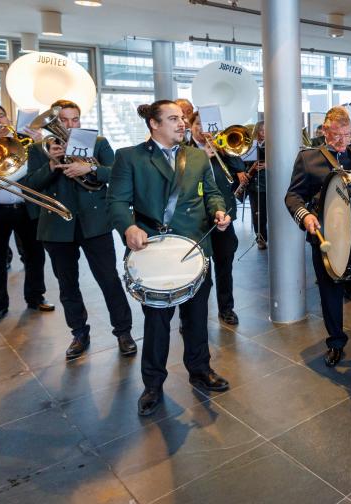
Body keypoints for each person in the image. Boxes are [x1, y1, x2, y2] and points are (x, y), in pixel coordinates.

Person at [109, 100, 233, 416]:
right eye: (173, 118)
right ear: (154, 124)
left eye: (183, 118)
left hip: (193, 250)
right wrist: (128, 227)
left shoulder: (196, 156)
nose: (182, 123)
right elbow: (117, 202)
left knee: (196, 318)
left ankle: (200, 369)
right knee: (157, 323)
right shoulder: (129, 157)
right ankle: (152, 384)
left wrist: (218, 210)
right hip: (151, 251)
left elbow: (213, 192)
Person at [21, 100, 135, 359]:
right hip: (57, 226)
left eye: (75, 119)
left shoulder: (98, 143)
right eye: (63, 120)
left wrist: (90, 168)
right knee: (67, 284)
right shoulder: (41, 148)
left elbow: (117, 175)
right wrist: (51, 165)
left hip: (95, 223)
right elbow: (30, 186)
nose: (70, 125)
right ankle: (78, 333)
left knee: (109, 279)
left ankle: (124, 331)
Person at [284, 106, 351, 369]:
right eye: (337, 135)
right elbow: (293, 196)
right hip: (327, 236)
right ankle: (335, 343)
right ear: (324, 131)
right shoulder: (309, 159)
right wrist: (305, 216)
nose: (343, 141)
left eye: (347, 135)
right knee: (330, 292)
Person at [0, 104, 53, 323]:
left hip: (26, 207)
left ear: (8, 118)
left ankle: (36, 297)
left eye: (0, 115)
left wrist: (38, 144)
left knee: (35, 255)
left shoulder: (25, 141)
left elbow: (43, 171)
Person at [190, 112, 245, 325]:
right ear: (191, 126)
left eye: (207, 124)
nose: (202, 128)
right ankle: (193, 316)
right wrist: (203, 156)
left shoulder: (222, 146)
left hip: (223, 217)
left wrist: (223, 149)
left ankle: (226, 308)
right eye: (198, 124)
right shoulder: (185, 149)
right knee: (199, 272)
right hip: (196, 219)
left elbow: (239, 169)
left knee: (225, 266)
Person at [243, 121, 268, 250]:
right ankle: (260, 238)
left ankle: (271, 237)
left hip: (268, 184)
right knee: (257, 213)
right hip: (254, 184)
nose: (263, 134)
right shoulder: (250, 147)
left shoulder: (273, 145)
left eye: (265, 131)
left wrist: (267, 164)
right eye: (260, 131)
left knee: (268, 213)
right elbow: (243, 163)